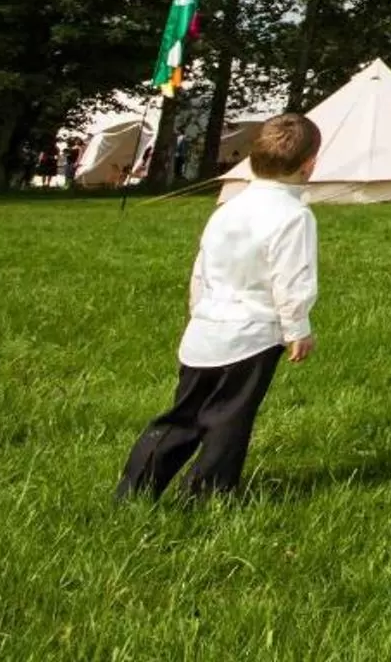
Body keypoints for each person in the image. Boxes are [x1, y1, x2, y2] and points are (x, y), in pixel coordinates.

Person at [116, 113, 321, 502]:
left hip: (206, 329)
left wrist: (199, 312)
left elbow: (202, 266)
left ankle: (135, 489)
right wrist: (298, 329)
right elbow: (292, 280)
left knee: (182, 416)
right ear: (309, 164)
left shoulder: (227, 209)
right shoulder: (295, 216)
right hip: (253, 335)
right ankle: (208, 495)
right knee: (229, 420)